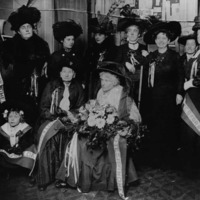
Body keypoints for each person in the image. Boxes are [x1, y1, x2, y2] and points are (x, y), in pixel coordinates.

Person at [56, 61, 141, 198]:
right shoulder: (101, 91)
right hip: (99, 127)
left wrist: (117, 123)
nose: (103, 83)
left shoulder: (122, 93)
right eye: (102, 79)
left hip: (114, 130)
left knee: (86, 144)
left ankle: (92, 180)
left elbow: (134, 117)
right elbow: (96, 108)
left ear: (114, 82)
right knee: (78, 138)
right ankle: (70, 176)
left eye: (107, 80)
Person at [34, 60, 85, 191]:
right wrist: (55, 118)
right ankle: (44, 178)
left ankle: (62, 178)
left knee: (68, 139)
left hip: (69, 120)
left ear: (74, 74)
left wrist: (70, 116)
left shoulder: (78, 87)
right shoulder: (52, 85)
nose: (67, 74)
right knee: (50, 139)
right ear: (60, 73)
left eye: (70, 72)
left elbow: (80, 107)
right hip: (50, 119)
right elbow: (43, 107)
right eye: (64, 71)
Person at [142, 20, 184, 168]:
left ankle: (168, 159)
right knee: (154, 126)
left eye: (164, 38)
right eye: (158, 38)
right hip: (153, 98)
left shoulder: (174, 56)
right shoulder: (150, 57)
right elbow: (144, 77)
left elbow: (180, 76)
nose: (161, 40)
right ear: (155, 40)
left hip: (169, 97)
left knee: (168, 126)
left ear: (168, 40)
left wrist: (179, 93)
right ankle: (154, 159)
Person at [1, 5, 50, 109]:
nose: (27, 30)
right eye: (23, 27)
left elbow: (46, 70)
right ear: (18, 31)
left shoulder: (42, 46)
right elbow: (7, 73)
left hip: (38, 89)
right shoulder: (9, 46)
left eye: (29, 27)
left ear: (33, 28)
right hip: (15, 90)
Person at [115, 4, 149, 102]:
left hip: (140, 83)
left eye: (135, 31)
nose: (132, 33)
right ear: (126, 34)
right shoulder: (121, 48)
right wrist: (125, 63)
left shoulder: (144, 48)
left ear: (139, 34)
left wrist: (146, 57)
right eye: (130, 31)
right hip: (125, 83)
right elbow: (116, 65)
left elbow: (147, 66)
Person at [180, 17, 200, 177]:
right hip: (191, 98)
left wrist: (191, 82)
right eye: (199, 32)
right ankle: (190, 166)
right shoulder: (195, 55)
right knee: (190, 131)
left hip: (196, 96)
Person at [84, 16, 117, 99]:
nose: (97, 37)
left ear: (106, 36)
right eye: (95, 34)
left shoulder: (112, 49)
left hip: (105, 80)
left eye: (100, 34)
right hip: (92, 80)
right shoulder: (91, 48)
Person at [0, 107, 36, 173]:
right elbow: (2, 142)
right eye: (10, 116)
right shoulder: (3, 128)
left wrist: (19, 148)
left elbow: (28, 141)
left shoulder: (25, 128)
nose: (12, 119)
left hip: (20, 151)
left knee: (32, 148)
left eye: (16, 117)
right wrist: (7, 148)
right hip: (7, 152)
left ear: (20, 118)